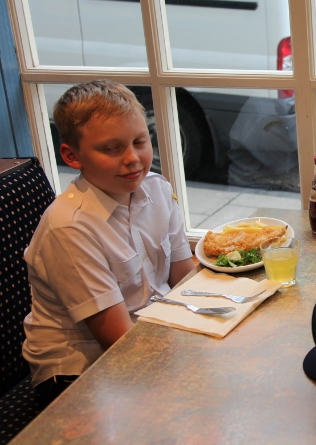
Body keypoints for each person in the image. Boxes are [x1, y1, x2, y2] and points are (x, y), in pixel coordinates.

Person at [22, 80, 196, 408]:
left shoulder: (156, 189)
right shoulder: (70, 227)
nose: (133, 159)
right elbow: (117, 340)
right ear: (72, 155)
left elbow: (184, 280)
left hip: (147, 334)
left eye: (140, 142)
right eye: (112, 149)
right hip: (78, 370)